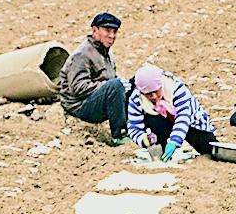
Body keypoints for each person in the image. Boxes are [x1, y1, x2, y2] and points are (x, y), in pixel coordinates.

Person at [58, 12, 127, 142]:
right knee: (116, 85)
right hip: (79, 106)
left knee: (132, 86)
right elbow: (78, 88)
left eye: (115, 32)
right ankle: (119, 135)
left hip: (94, 99)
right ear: (95, 30)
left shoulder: (106, 54)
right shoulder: (82, 54)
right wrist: (109, 86)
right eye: (107, 31)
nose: (112, 36)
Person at [127, 65, 215, 162]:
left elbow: (183, 117)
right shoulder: (136, 99)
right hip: (162, 125)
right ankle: (162, 152)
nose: (154, 96)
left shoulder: (176, 87)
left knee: (209, 148)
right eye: (149, 94)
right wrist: (145, 140)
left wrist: (175, 141)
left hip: (191, 125)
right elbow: (134, 127)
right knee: (152, 119)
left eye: (156, 91)